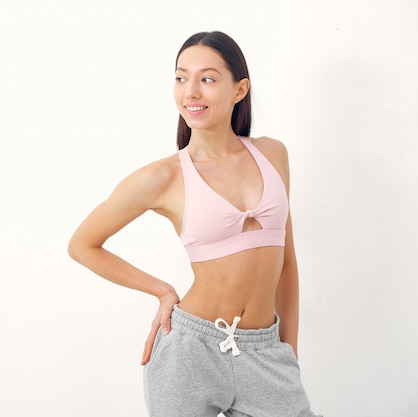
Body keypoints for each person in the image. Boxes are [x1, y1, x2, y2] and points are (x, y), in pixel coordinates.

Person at [68, 31, 321, 417]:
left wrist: (288, 351)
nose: (190, 92)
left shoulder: (273, 154)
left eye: (207, 79)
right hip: (189, 352)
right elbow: (83, 244)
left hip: (266, 351)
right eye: (181, 78)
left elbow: (286, 261)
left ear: (240, 89)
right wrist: (162, 290)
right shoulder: (163, 177)